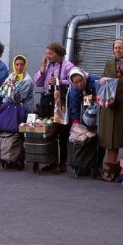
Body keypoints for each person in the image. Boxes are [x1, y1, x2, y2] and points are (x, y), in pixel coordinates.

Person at [97, 38, 123, 182]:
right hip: (109, 106)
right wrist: (102, 81)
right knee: (110, 139)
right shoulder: (110, 63)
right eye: (115, 48)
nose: (117, 50)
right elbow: (102, 80)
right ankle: (110, 169)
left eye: (120, 48)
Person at [34, 42, 74, 172]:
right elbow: (38, 83)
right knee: (48, 132)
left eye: (50, 53)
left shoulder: (68, 66)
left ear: (58, 53)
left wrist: (59, 81)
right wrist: (42, 67)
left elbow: (75, 81)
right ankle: (50, 160)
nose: (48, 56)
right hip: (47, 101)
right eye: (47, 54)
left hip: (60, 102)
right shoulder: (47, 66)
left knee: (62, 133)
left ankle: (62, 162)